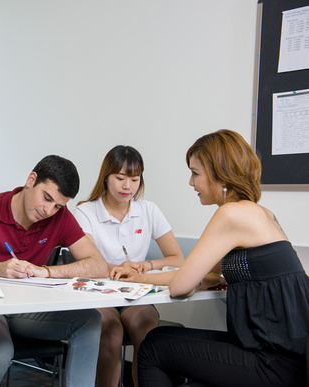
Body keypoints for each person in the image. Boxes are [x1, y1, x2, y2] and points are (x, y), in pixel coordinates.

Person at [115, 130, 309, 387]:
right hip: (288, 355)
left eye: (196, 173)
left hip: (273, 361)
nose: (191, 183)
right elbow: (208, 274)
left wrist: (147, 277)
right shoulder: (263, 213)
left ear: (220, 174)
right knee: (159, 336)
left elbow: (181, 286)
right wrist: (142, 276)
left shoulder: (231, 214)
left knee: (153, 347)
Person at [0, 155, 109, 387]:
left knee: (90, 321)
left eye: (58, 206)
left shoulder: (60, 218)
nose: (48, 210)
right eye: (46, 198)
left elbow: (99, 266)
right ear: (31, 179)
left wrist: (45, 272)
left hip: (24, 310)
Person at [73, 145, 184, 387]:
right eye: (120, 178)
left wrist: (146, 264)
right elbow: (87, 261)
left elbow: (177, 259)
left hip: (135, 293)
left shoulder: (149, 210)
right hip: (98, 294)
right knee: (110, 333)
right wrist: (119, 268)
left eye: (134, 179)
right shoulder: (85, 212)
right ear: (106, 177)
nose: (127, 187)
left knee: (146, 331)